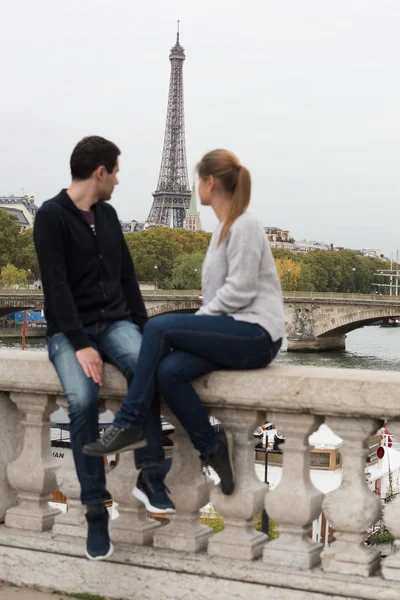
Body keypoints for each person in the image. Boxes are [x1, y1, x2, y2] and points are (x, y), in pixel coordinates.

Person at [83, 149, 285, 496]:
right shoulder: (223, 227)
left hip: (257, 335)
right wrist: (194, 330)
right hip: (234, 332)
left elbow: (241, 289)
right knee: (169, 373)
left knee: (159, 327)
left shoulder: (245, 225)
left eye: (198, 180)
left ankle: (129, 422)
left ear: (208, 183)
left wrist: (193, 324)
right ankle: (211, 446)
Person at [33, 136, 173, 562]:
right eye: (115, 172)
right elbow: (55, 288)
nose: (118, 180)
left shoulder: (109, 216)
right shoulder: (51, 217)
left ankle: (149, 473)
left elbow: (128, 279)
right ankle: (95, 507)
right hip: (70, 331)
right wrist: (80, 344)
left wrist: (146, 331)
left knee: (146, 365)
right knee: (82, 400)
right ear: (100, 172)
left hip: (114, 322)